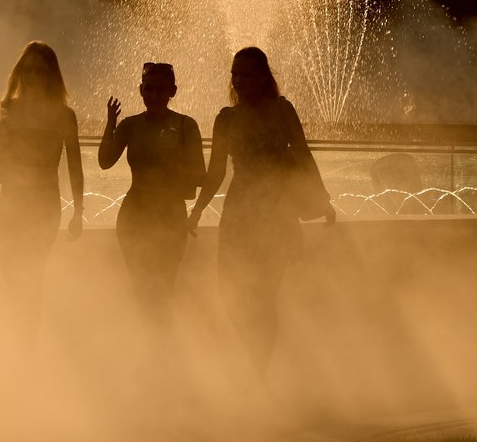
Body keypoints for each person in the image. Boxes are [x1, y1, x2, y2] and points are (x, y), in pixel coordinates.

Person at [187, 46, 335, 375]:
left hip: (276, 211)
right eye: (234, 74)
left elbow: (303, 155)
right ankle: (255, 358)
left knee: (263, 297)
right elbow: (216, 172)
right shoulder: (226, 119)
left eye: (246, 74)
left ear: (263, 77)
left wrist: (321, 198)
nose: (238, 80)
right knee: (230, 293)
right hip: (239, 209)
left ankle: (257, 370)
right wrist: (197, 209)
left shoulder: (282, 111)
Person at [0, 41, 84, 346]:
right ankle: (21, 336)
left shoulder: (64, 116)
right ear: (19, 72)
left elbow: (75, 167)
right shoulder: (3, 111)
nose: (32, 76)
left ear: (51, 75)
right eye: (27, 69)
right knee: (11, 271)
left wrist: (79, 211)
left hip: (44, 203)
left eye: (39, 70)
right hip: (12, 200)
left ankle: (26, 344)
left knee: (31, 272)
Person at [98, 62, 204, 342]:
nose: (154, 95)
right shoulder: (131, 125)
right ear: (141, 91)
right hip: (135, 215)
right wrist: (110, 122)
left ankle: (161, 346)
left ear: (173, 91)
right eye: (149, 89)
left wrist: (174, 159)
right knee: (140, 285)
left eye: (161, 89)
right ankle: (148, 346)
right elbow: (105, 161)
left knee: (164, 286)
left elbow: (200, 175)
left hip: (170, 214)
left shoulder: (185, 125)